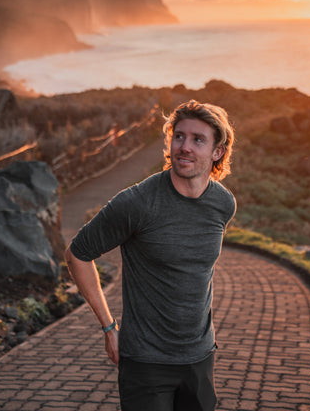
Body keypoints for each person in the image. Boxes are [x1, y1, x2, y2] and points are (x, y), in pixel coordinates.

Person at [65, 99, 236, 411]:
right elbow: (78, 254)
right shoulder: (136, 203)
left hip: (200, 358)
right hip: (146, 363)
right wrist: (108, 327)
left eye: (198, 139)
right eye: (179, 136)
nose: (185, 147)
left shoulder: (223, 204)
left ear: (217, 152)